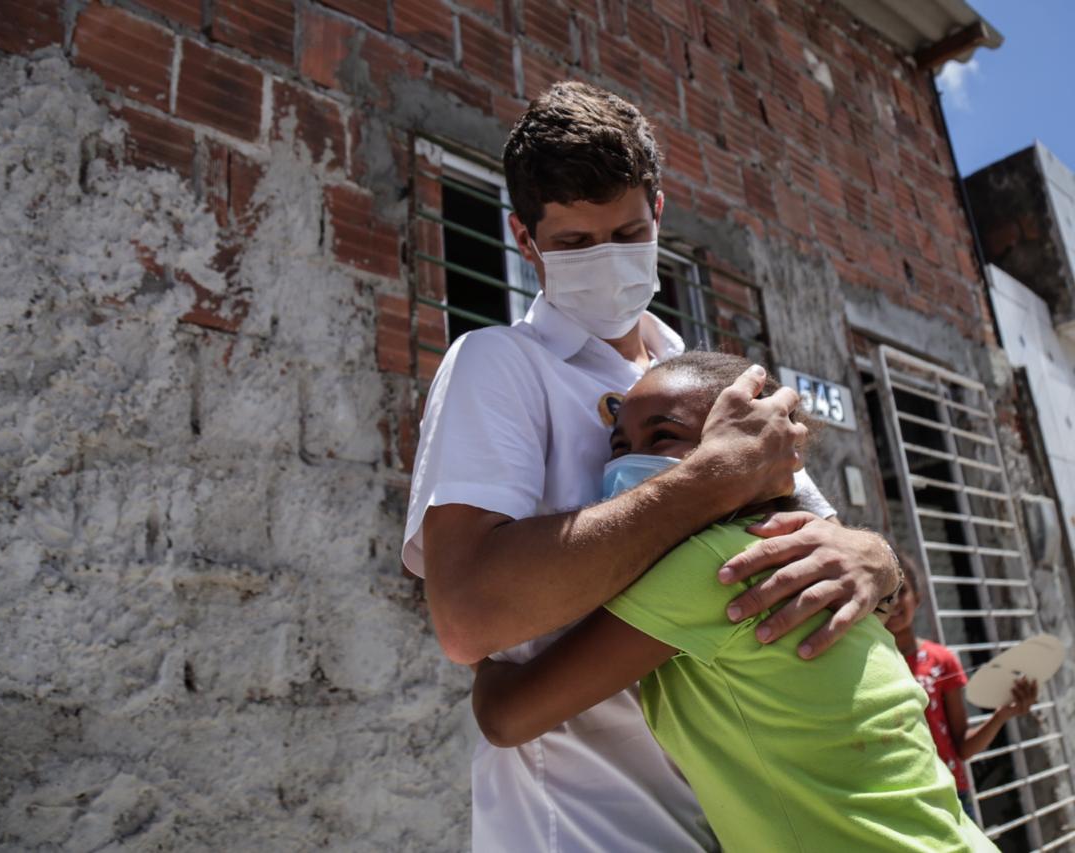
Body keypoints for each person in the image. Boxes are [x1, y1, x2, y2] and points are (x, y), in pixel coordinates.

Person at [403, 81, 902, 851]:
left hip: (746, 818)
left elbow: (823, 554)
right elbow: (467, 616)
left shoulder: (700, 378)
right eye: (573, 244)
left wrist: (879, 557)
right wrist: (705, 481)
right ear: (524, 239)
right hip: (585, 830)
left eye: (628, 233)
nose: (605, 261)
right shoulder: (498, 366)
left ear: (659, 213)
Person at [471, 352, 996, 852]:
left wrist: (478, 637)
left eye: (665, 437)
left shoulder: (717, 567)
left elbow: (506, 718)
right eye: (619, 445)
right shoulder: (797, 549)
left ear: (761, 448)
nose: (632, 461)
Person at [882, 560, 1039, 822]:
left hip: (952, 795)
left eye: (902, 591)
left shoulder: (941, 660)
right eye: (885, 596)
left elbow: (962, 747)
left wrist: (1001, 715)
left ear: (918, 598)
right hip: (906, 798)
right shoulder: (874, 667)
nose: (895, 602)